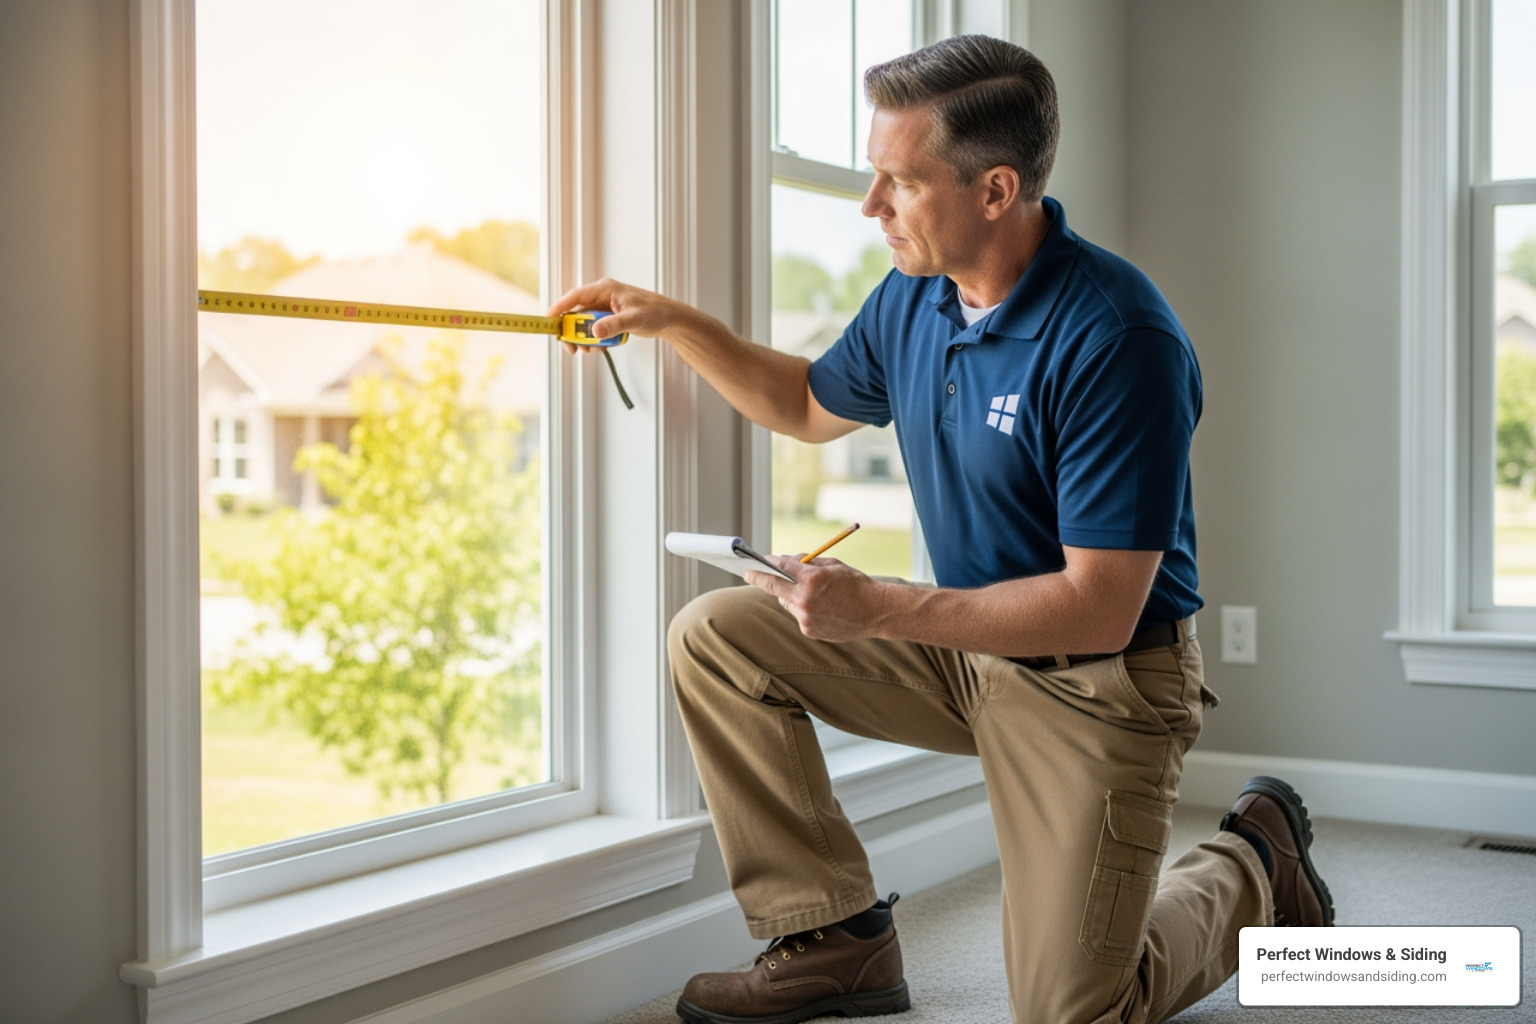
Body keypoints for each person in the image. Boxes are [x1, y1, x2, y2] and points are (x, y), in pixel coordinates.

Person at [549, 33, 1334, 1024]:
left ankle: (1255, 865)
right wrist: (671, 321)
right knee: (716, 638)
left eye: (896, 181)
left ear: (995, 190)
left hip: (1097, 682)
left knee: (1075, 1011)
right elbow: (804, 401)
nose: (870, 205)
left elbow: (1097, 608)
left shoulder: (1117, 339)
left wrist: (876, 607)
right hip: (963, 652)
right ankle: (834, 940)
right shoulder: (915, 297)